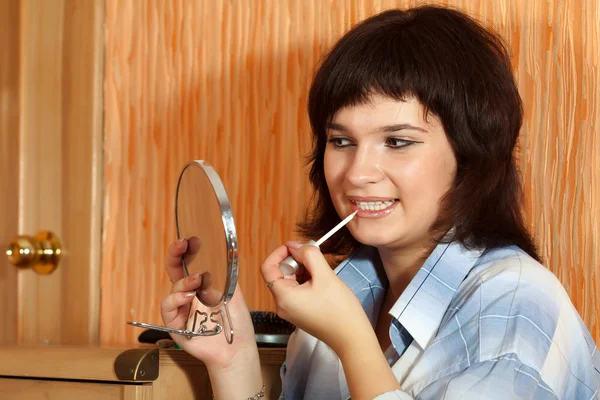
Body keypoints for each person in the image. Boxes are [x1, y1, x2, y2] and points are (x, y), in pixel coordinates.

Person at [160, 5, 600, 399]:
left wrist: (353, 341)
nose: (356, 173)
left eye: (397, 141)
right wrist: (232, 359)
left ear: (470, 154)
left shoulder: (514, 310)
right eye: (341, 140)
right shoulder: (340, 297)